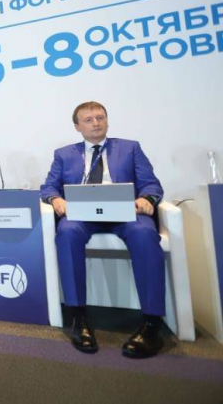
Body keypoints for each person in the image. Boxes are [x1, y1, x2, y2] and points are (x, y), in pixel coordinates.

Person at [40, 101, 165, 358]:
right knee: (67, 232)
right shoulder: (63, 154)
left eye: (100, 117)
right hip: (82, 215)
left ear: (107, 121)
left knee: (144, 233)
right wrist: (56, 199)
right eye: (88, 120)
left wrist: (146, 199)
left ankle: (152, 323)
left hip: (125, 213)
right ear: (77, 127)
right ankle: (78, 317)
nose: (96, 123)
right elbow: (49, 187)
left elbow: (151, 185)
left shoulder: (130, 148)